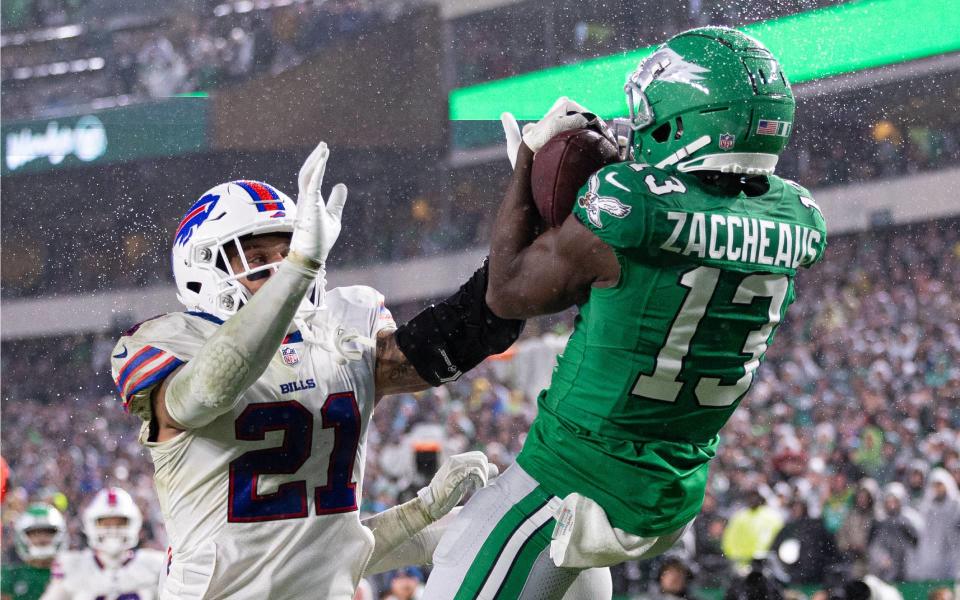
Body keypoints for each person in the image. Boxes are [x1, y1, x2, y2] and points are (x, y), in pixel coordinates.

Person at [425, 26, 826, 598]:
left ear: (688, 119)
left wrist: (526, 165)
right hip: (669, 489)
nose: (639, 127)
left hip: (572, 475)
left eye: (651, 113)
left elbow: (506, 292)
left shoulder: (633, 205)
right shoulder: (796, 216)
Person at [109, 142, 522, 599]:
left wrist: (525, 233)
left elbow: (447, 342)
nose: (280, 264)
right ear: (201, 268)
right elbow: (206, 393)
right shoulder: (166, 342)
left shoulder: (340, 327)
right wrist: (299, 269)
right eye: (257, 255)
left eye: (290, 249)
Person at [40, 487, 164, 600]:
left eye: (120, 523)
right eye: (106, 523)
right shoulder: (72, 565)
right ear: (91, 524)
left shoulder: (155, 564)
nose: (113, 530)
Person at [1, 504, 67, 600]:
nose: (42, 539)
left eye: (48, 532)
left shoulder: (73, 574)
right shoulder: (8, 576)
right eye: (34, 533)